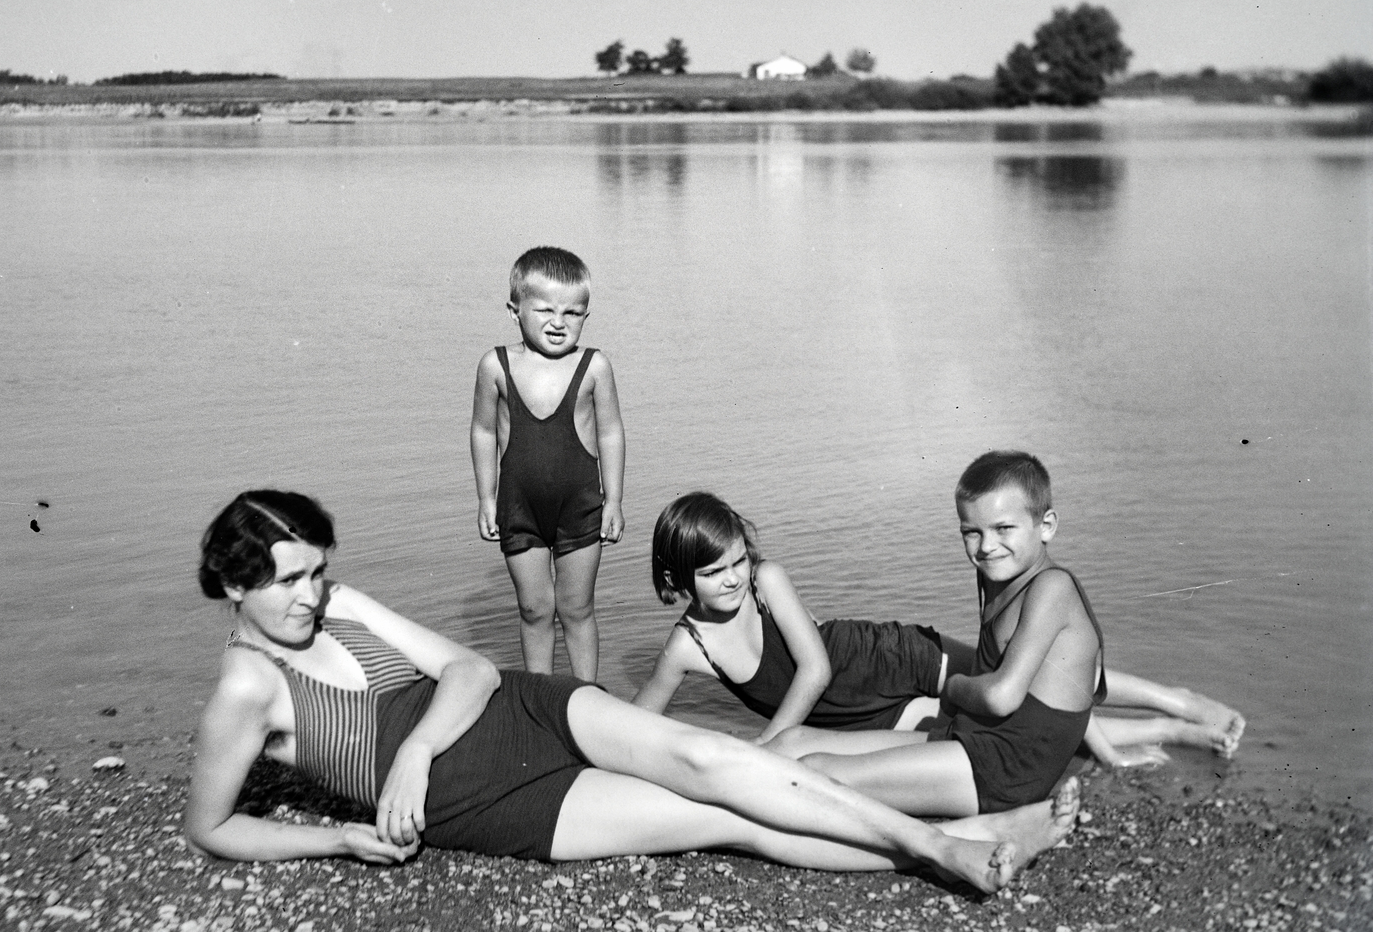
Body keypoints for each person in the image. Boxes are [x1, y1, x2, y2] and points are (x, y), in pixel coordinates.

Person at [183, 490, 1080, 892]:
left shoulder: (343, 602)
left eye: (315, 573)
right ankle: (959, 844)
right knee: (725, 818)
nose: (311, 593)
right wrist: (341, 836)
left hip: (520, 708)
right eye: (287, 580)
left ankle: (948, 839)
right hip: (486, 799)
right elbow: (211, 826)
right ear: (233, 586)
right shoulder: (243, 691)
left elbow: (472, 667)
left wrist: (412, 746)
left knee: (711, 755)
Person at [636, 492, 1245, 770]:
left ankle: (1175, 702)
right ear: (678, 579)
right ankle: (1161, 732)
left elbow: (816, 669)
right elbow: (640, 721)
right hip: (849, 718)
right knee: (999, 723)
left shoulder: (769, 579)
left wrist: (764, 747)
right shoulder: (685, 648)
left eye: (738, 561)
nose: (735, 579)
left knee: (1032, 684)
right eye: (715, 572)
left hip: (887, 660)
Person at [470, 247, 625, 681]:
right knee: (534, 609)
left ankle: (585, 697)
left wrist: (613, 499)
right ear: (514, 310)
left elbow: (611, 432)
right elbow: (483, 432)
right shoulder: (495, 366)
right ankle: (540, 696)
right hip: (519, 510)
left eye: (573, 313)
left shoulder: (593, 366)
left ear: (586, 315)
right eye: (545, 310)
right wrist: (486, 497)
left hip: (580, 507)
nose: (559, 322)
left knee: (577, 609)